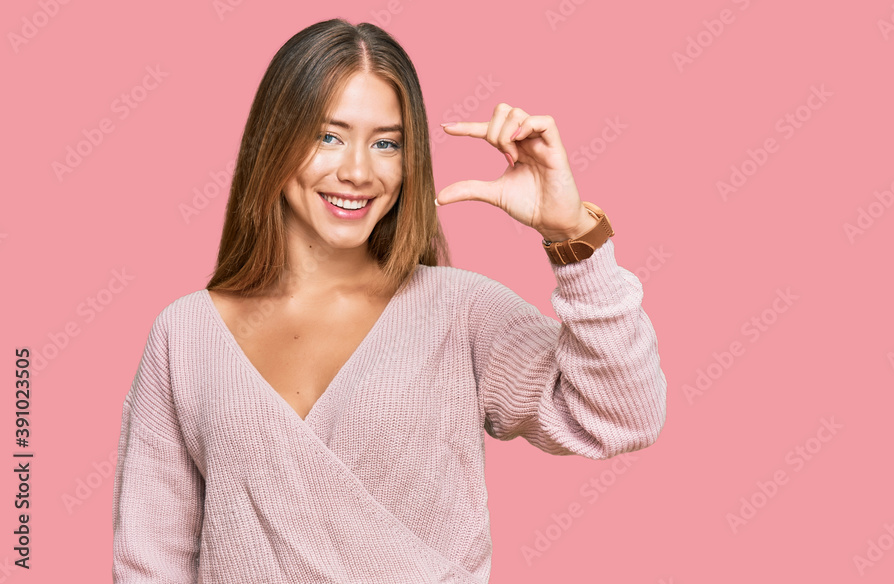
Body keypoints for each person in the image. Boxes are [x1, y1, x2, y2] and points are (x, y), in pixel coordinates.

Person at [112, 17, 667, 584]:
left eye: (386, 143)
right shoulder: (185, 335)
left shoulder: (460, 312)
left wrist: (572, 233)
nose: (357, 171)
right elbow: (150, 563)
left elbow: (622, 415)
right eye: (328, 136)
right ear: (273, 141)